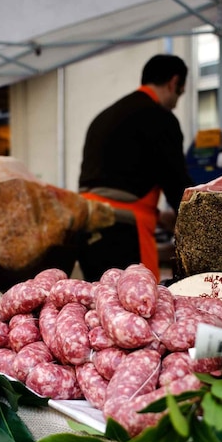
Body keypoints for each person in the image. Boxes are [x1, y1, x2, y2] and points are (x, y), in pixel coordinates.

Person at [77, 54, 194, 283]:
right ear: (174, 82)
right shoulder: (161, 118)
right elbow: (178, 187)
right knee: (140, 308)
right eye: (180, 93)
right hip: (124, 232)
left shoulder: (104, 116)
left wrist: (158, 216)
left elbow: (112, 181)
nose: (177, 102)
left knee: (95, 308)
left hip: (85, 227)